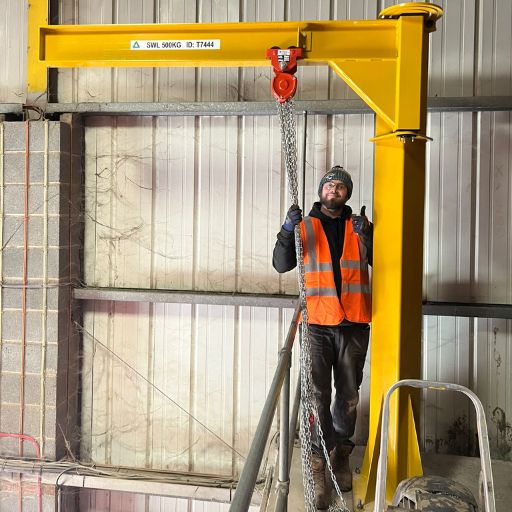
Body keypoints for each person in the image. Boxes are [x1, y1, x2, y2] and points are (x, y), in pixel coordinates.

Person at [272, 166, 372, 509]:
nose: (335, 190)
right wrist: (288, 230)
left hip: (354, 323)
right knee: (315, 394)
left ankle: (340, 452)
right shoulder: (304, 226)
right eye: (330, 185)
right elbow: (281, 264)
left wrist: (369, 235)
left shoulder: (358, 227)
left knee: (348, 395)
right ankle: (318, 458)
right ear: (320, 191)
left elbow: (381, 260)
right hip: (316, 323)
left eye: (341, 187)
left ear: (347, 194)